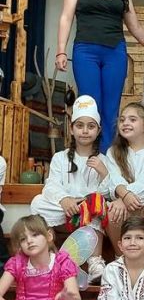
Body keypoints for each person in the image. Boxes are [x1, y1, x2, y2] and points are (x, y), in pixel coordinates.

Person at [55, 0, 144, 153]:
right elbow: (66, 18)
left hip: (115, 52)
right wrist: (61, 51)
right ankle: (88, 155)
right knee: (90, 104)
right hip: (85, 51)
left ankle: (107, 157)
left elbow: (135, 26)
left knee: (111, 108)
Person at [30, 95, 109, 283]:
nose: (85, 131)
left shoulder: (103, 160)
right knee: (37, 203)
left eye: (91, 126)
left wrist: (104, 173)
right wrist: (64, 200)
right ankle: (50, 255)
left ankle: (95, 262)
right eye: (80, 126)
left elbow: (107, 192)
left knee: (95, 206)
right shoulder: (60, 157)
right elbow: (51, 185)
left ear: (98, 130)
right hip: (64, 207)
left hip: (86, 209)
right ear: (72, 129)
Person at [105, 103, 144, 256]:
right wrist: (124, 197)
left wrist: (124, 196)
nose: (125, 123)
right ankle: (120, 258)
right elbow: (113, 180)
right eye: (122, 120)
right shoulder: (113, 152)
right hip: (122, 206)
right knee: (112, 211)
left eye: (132, 119)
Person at [0, 215, 80, 300]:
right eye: (23, 239)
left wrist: (70, 298)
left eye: (35, 235)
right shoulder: (17, 264)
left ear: (49, 236)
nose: (29, 241)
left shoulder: (63, 263)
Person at [97, 217, 144, 300]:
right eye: (127, 238)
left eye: (140, 238)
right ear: (120, 245)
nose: (132, 243)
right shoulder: (111, 269)